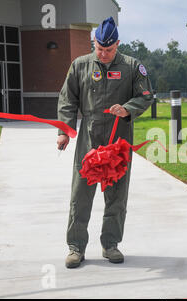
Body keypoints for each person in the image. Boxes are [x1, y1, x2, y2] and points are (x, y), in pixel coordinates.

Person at [57, 17, 153, 268]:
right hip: (89, 139)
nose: (104, 53)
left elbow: (145, 96)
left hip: (119, 140)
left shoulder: (132, 66)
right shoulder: (80, 65)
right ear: (94, 43)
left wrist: (128, 108)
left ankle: (110, 244)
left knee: (117, 195)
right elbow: (68, 100)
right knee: (81, 194)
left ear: (118, 44)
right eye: (100, 48)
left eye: (109, 49)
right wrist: (65, 131)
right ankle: (76, 247)